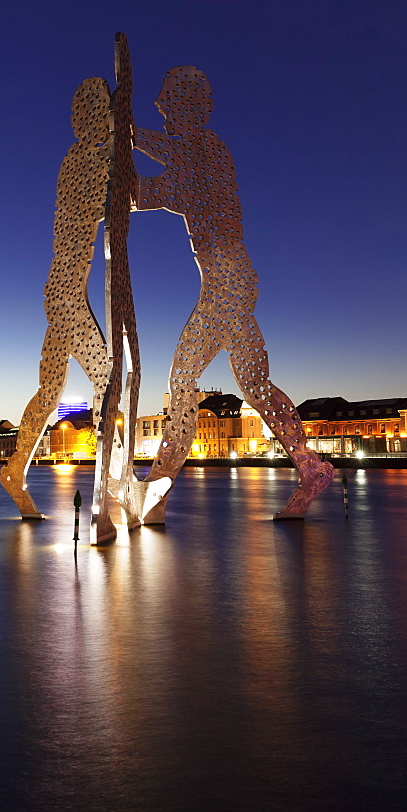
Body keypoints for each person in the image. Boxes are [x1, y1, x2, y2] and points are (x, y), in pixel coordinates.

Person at [132, 66, 333, 521]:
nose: (161, 110)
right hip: (235, 280)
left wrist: (125, 137)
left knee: (182, 383)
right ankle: (310, 468)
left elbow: (166, 181)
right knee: (256, 386)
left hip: (227, 282)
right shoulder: (195, 156)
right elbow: (159, 186)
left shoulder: (206, 150)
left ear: (190, 108)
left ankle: (157, 491)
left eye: (167, 104)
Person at [0, 77, 113, 518]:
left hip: (62, 288)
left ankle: (14, 469)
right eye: (101, 115)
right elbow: (114, 203)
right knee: (104, 382)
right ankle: (112, 476)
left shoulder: (80, 159)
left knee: (51, 390)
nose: (104, 123)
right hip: (67, 289)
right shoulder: (83, 162)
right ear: (88, 120)